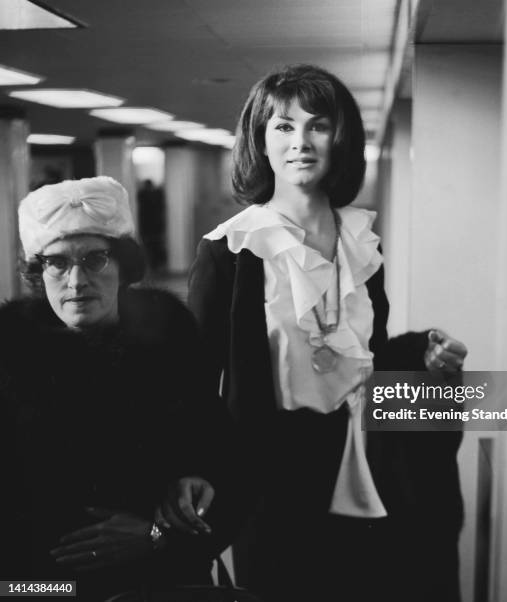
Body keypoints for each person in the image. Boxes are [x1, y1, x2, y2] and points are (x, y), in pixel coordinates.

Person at [186, 65, 467, 602]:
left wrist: (425, 356)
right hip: (268, 472)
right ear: (260, 142)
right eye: (284, 127)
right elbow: (195, 382)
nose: (301, 142)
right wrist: (195, 472)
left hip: (360, 459)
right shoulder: (230, 250)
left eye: (318, 125)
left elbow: (372, 354)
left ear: (341, 138)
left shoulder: (363, 242)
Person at [0, 176, 238, 601]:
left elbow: (221, 465)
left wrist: (156, 535)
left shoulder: (170, 343)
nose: (76, 281)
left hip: (159, 580)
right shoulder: (11, 354)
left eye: (94, 259)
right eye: (56, 262)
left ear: (124, 265)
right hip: (40, 586)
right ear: (38, 272)